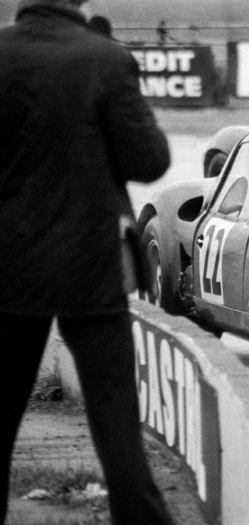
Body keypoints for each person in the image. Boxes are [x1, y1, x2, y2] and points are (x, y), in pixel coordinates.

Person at [0, 1, 175, 524]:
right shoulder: (106, 60)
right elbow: (149, 162)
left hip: (7, 271)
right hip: (89, 269)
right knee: (114, 417)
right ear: (82, 3)